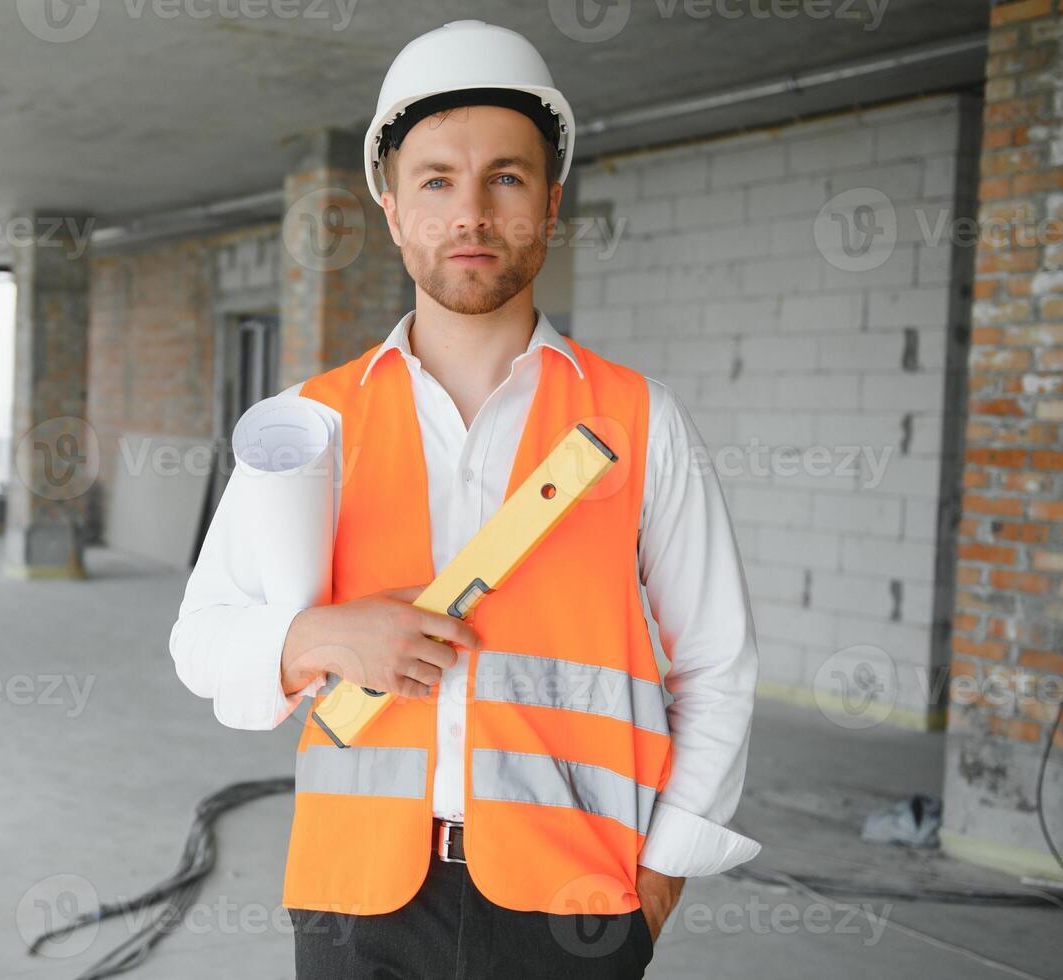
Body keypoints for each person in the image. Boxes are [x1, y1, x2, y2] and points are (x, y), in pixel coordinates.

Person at [170, 20, 761, 978]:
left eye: (507, 178)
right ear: (394, 212)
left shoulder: (641, 421)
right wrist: (316, 637)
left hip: (575, 902)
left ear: (550, 203)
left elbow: (717, 663)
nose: (470, 213)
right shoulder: (304, 425)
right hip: (354, 900)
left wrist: (663, 875)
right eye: (436, 180)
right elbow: (200, 638)